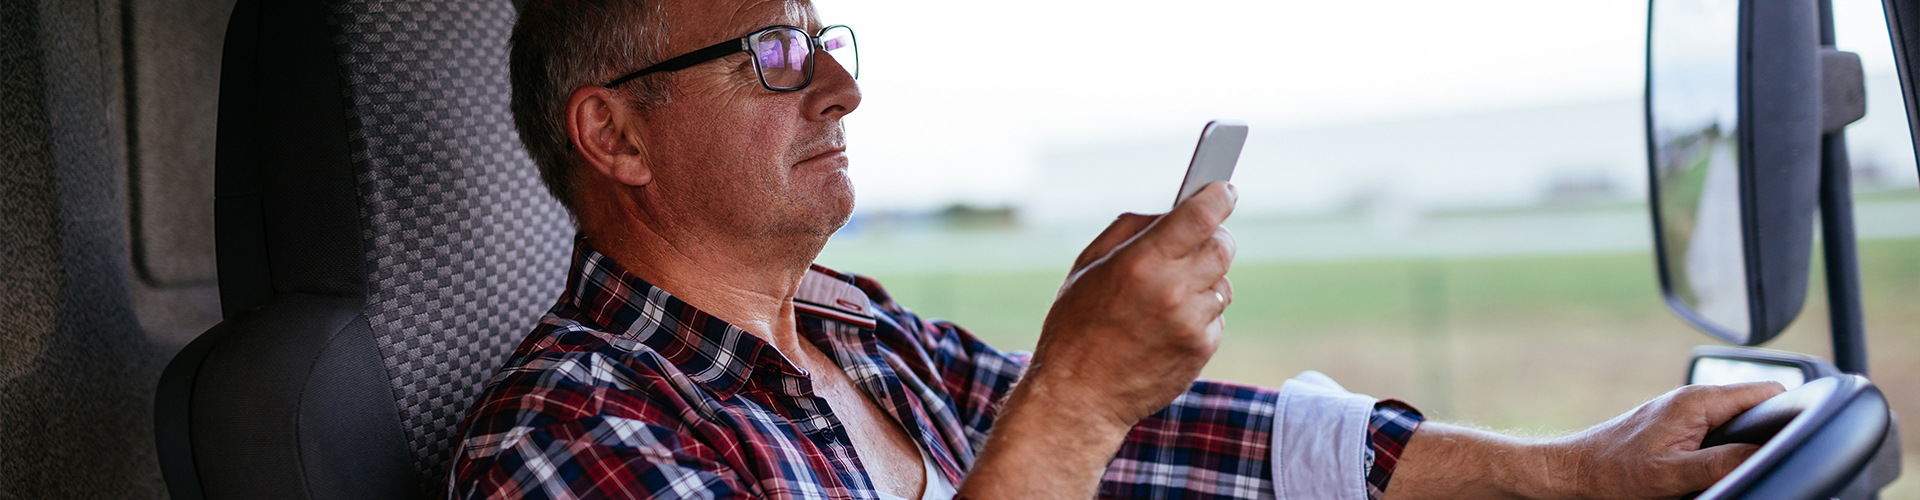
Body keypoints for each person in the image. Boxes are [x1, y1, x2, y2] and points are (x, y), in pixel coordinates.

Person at [446, 0, 1787, 498]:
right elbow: (1077, 433)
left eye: (829, 44)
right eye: (776, 56)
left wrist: (1572, 468)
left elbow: (1182, 449)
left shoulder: (864, 332)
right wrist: (1076, 396)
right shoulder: (566, 444)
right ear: (615, 135)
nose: (839, 90)